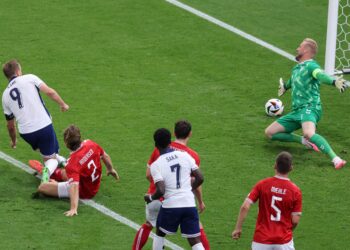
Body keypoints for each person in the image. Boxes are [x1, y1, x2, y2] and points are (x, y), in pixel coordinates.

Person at [265, 38, 348, 169]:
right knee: (270, 133)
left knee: (309, 132)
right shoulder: (296, 69)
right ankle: (304, 141)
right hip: (296, 112)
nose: (297, 49)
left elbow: (320, 75)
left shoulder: (311, 66)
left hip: (310, 108)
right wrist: (284, 87)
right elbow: (292, 82)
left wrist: (333, 82)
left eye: (300, 47)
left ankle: (336, 159)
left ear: (306, 50)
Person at [132, 120, 210, 250]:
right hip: (185, 200)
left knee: (153, 227)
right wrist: (200, 200)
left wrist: (154, 193)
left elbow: (148, 175)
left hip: (160, 198)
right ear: (190, 134)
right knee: (195, 234)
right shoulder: (189, 155)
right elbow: (198, 179)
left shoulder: (157, 155)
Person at [2, 59, 69, 182]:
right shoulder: (30, 78)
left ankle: (62, 162)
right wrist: (63, 104)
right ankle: (46, 173)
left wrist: (14, 140)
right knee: (51, 158)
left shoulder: (5, 95)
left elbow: (10, 126)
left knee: (46, 149)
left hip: (26, 133)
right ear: (18, 71)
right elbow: (49, 92)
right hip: (43, 126)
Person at [37, 125, 119, 216]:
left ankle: (46, 171)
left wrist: (73, 208)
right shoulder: (90, 143)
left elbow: (74, 186)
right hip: (94, 183)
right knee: (66, 172)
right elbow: (105, 156)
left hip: (85, 192)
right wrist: (110, 169)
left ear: (66, 143)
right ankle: (60, 165)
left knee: (42, 187)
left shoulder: (72, 164)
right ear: (80, 138)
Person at [232, 151, 302, 250]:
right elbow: (295, 220)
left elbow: (245, 206)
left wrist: (238, 228)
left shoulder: (262, 184)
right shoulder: (295, 191)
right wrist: (286, 230)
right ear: (291, 168)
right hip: (284, 242)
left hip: (261, 240)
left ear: (275, 165)